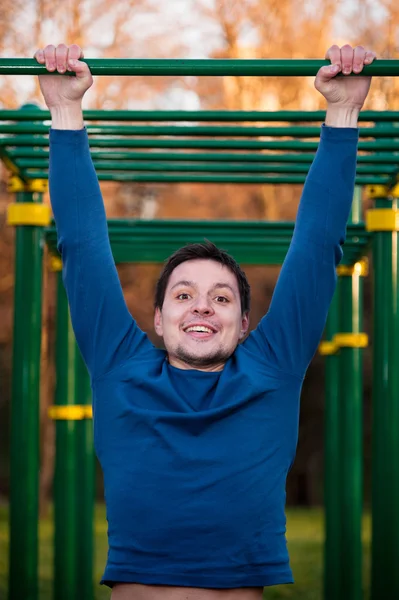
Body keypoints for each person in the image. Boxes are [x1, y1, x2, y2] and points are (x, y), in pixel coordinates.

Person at [34, 43, 376, 600]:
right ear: (158, 317)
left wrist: (342, 115)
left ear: (245, 323)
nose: (200, 306)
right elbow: (82, 244)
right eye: (184, 294)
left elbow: (317, 246)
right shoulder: (121, 368)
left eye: (220, 299)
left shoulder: (271, 371)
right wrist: (66, 113)